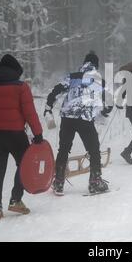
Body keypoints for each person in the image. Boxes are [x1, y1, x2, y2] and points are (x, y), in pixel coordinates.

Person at [0, 54, 43, 221]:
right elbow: (30, 112)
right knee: (24, 165)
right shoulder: (21, 87)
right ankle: (15, 200)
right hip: (15, 134)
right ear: (15, 71)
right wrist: (38, 133)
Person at [44, 51, 112, 196]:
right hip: (84, 118)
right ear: (96, 65)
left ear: (84, 63)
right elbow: (110, 102)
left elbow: (55, 91)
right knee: (94, 150)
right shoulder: (98, 80)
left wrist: (48, 108)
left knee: (63, 149)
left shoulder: (72, 76)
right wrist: (103, 113)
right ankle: (95, 182)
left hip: (67, 117)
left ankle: (59, 183)